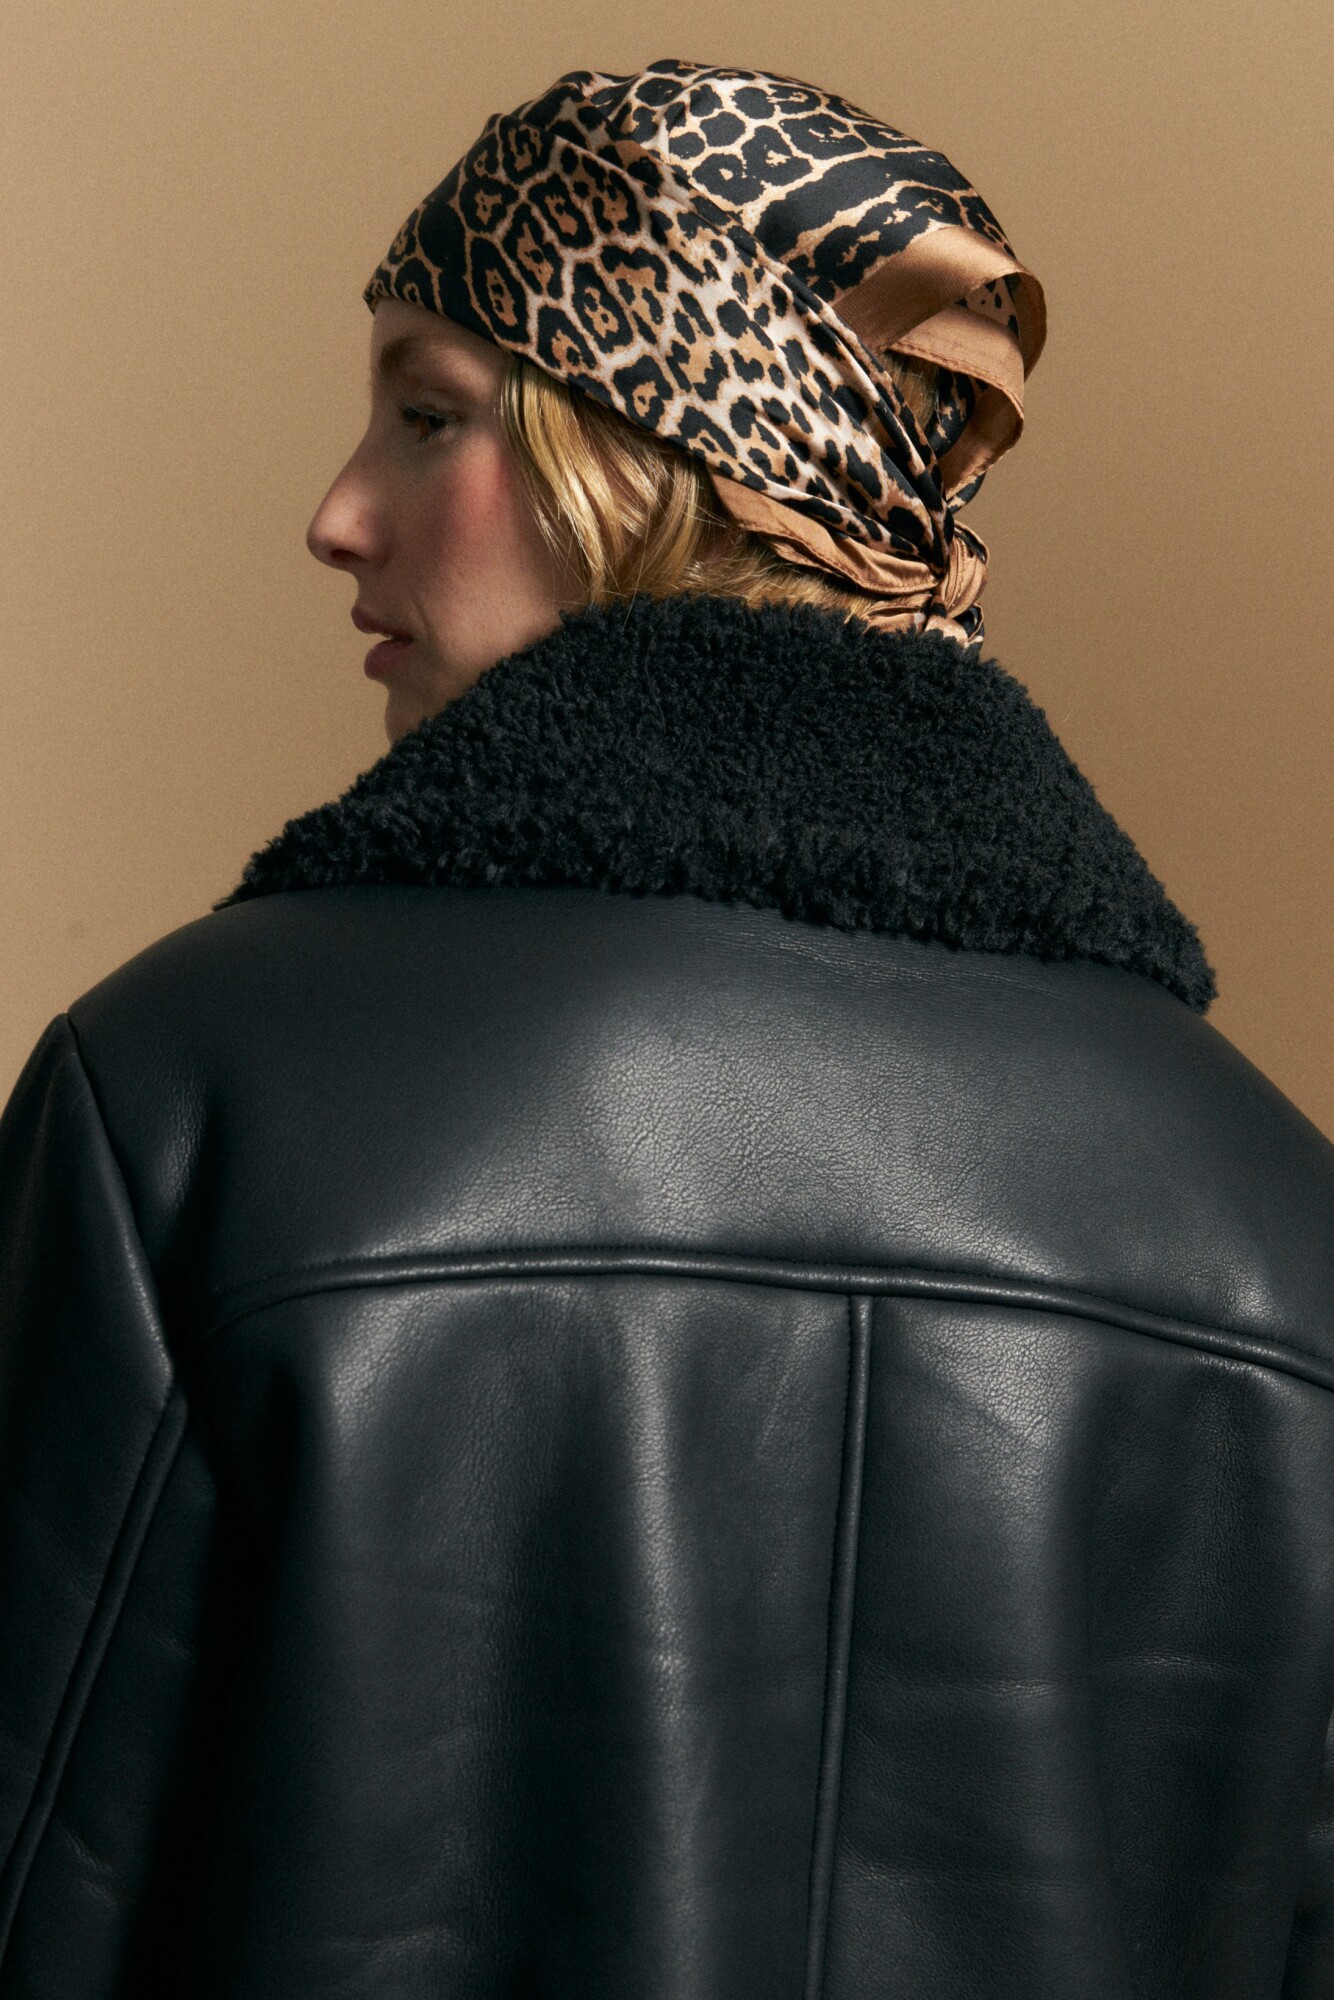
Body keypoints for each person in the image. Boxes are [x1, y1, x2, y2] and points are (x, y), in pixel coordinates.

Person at [0, 56, 1331, 2000]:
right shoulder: (1270, 1222)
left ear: (675, 450)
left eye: (430, 412)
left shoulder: (189, 1097)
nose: (337, 515)